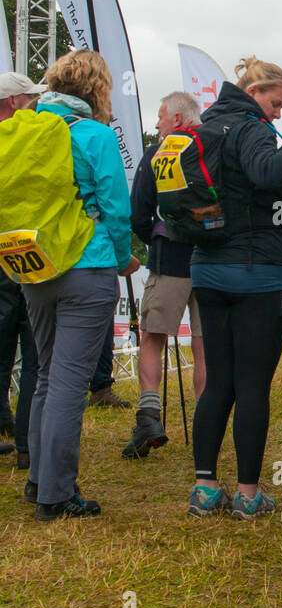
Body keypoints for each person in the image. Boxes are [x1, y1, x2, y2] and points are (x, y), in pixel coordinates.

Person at [189, 57, 282, 519]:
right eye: (276, 103)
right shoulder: (252, 127)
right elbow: (267, 172)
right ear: (256, 92)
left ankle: (204, 488)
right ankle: (247, 493)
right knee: (253, 385)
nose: (278, 113)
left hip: (207, 269)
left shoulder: (203, 129)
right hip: (257, 273)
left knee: (218, 381)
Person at [19, 52, 138, 519]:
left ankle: (36, 480)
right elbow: (116, 207)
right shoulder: (94, 134)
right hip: (85, 267)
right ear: (96, 89)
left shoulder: (24, 131)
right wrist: (119, 254)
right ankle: (55, 494)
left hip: (33, 265)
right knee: (70, 382)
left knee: (48, 375)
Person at [125, 91, 207, 458]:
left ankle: (149, 415)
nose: (156, 124)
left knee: (152, 338)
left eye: (160, 117)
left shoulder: (156, 154)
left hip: (169, 258)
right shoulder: (213, 149)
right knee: (205, 346)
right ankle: (208, 420)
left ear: (177, 119)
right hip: (210, 259)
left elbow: (139, 212)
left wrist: (154, 242)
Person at [0, 73, 44, 465]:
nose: (36, 105)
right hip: (26, 254)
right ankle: (28, 444)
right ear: (14, 102)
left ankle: (21, 436)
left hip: (18, 254)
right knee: (34, 356)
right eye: (31, 99)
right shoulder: (31, 139)